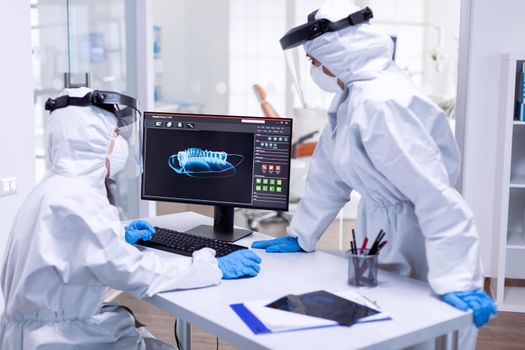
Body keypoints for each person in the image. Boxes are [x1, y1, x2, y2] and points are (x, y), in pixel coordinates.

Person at [251, 1, 496, 348]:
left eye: (314, 60)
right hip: (380, 231)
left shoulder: (381, 103)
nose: (314, 68)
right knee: (385, 328)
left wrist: (457, 278)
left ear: (337, 54)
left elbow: (434, 195)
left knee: (424, 331)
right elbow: (327, 177)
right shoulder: (351, 99)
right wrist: (302, 234)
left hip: (422, 240)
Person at [0, 87, 261, 349]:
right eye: (114, 133)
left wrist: (118, 237)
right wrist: (209, 267)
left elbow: (67, 250)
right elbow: (134, 273)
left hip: (39, 334)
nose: (119, 143)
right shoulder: (78, 201)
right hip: (61, 341)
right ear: (91, 140)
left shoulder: (51, 188)